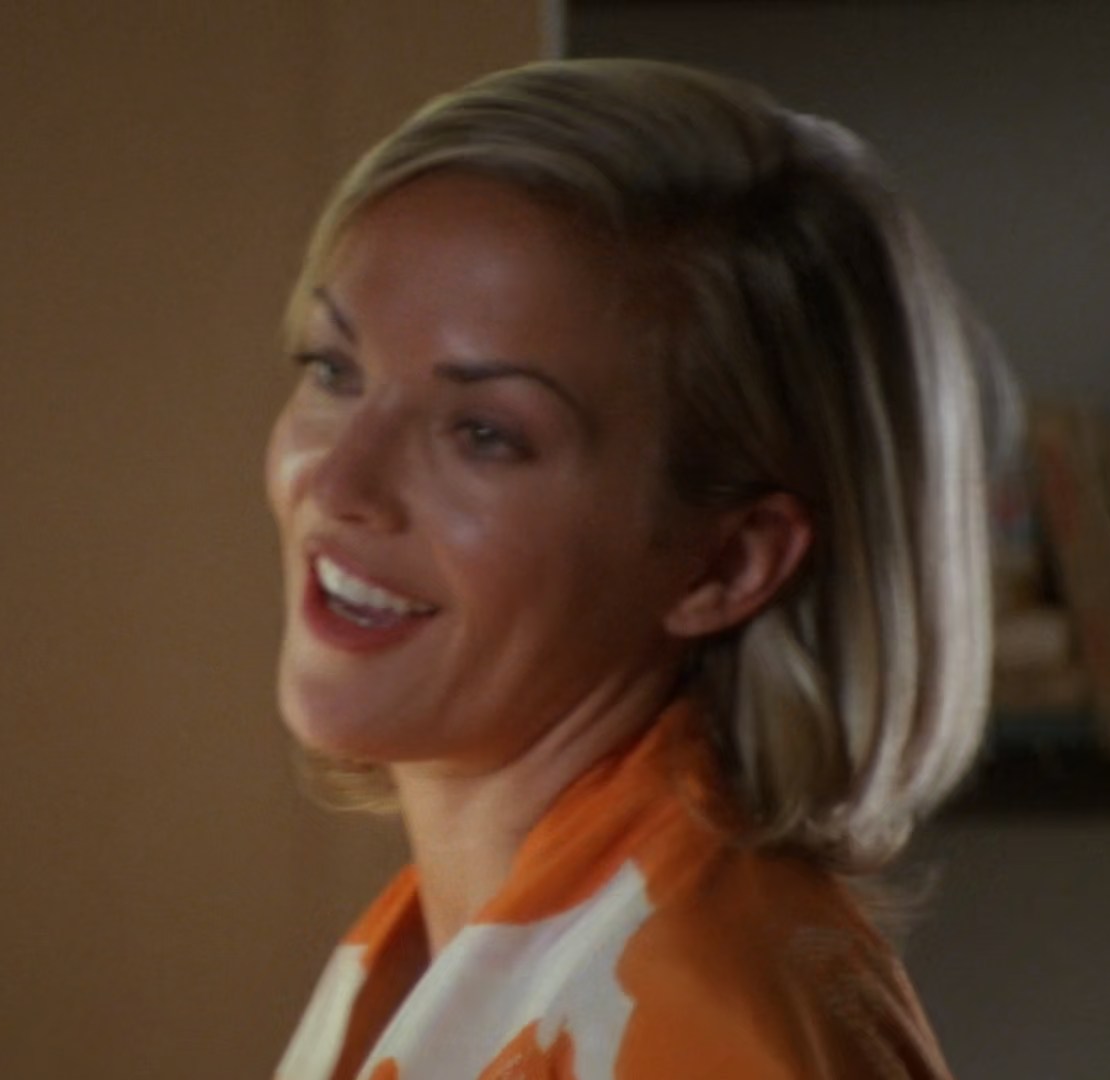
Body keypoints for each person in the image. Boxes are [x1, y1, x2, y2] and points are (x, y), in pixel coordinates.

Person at [265, 58, 1004, 1079]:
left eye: (484, 433)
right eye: (333, 371)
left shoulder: (703, 1020)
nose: (340, 482)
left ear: (727, 564)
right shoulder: (451, 947)